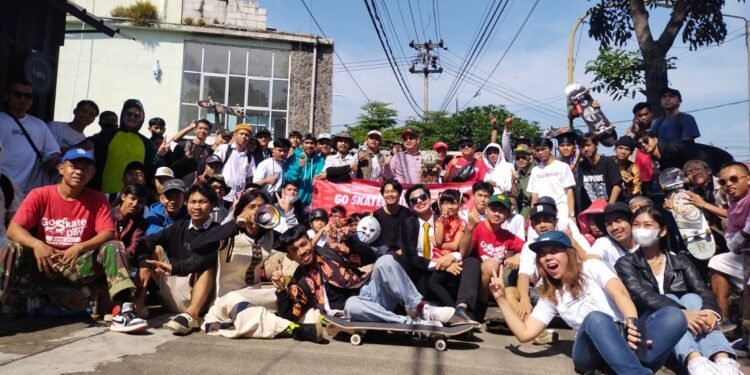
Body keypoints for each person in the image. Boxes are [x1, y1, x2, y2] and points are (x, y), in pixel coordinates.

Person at [491, 230, 687, 374]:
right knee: (596, 318)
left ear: (569, 253)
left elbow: (620, 294)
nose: (547, 257)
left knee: (674, 316)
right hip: (590, 355)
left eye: (553, 250)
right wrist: (500, 299)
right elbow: (525, 334)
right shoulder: (550, 294)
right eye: (542, 254)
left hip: (626, 339)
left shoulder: (592, 267)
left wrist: (632, 325)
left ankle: (620, 369)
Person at [3, 148, 145, 332]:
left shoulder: (98, 198)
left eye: (85, 169)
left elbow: (108, 233)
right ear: (61, 169)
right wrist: (37, 244)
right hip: (43, 261)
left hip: (77, 264)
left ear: (92, 173)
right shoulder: (40, 194)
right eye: (74, 167)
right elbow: (13, 228)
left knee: (115, 246)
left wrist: (80, 247)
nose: (79, 172)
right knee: (10, 247)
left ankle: (122, 312)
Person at [615, 207, 741, 374]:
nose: (641, 230)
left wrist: (711, 311)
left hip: (693, 321)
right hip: (651, 321)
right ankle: (695, 360)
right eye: (636, 225)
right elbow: (641, 295)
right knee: (673, 300)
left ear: (662, 231)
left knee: (692, 298)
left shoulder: (681, 261)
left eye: (647, 225)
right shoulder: (625, 263)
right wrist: (681, 313)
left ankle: (723, 359)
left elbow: (702, 290)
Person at [274, 225, 466, 326]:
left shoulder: (330, 250)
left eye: (304, 244)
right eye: (295, 250)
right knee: (352, 305)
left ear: (311, 241)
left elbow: (368, 256)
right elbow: (290, 316)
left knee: (385, 260)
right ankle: (413, 323)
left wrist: (349, 240)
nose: (302, 251)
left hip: (372, 292)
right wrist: (281, 290)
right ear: (290, 255)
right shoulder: (299, 282)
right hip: (355, 309)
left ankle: (421, 308)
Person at [136, 184, 225, 335]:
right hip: (173, 291)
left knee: (206, 265)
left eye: (202, 202)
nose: (196, 206)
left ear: (213, 205)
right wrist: (144, 264)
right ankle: (138, 306)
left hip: (200, 297)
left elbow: (203, 260)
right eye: (193, 202)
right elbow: (146, 242)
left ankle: (191, 316)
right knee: (155, 249)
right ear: (187, 204)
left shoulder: (218, 231)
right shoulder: (178, 227)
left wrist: (175, 268)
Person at [415, 187, 479, 322]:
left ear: (460, 204)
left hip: (453, 261)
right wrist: (442, 225)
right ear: (439, 204)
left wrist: (441, 246)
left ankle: (460, 312)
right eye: (445, 203)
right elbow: (437, 241)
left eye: (453, 203)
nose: (449, 207)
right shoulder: (438, 221)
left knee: (471, 263)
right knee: (433, 282)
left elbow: (455, 245)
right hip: (437, 262)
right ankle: (454, 311)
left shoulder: (462, 223)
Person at [459, 193, 524, 320]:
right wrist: (470, 228)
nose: (496, 214)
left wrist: (518, 256)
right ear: (487, 210)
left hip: (496, 283)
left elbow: (529, 248)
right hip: (474, 280)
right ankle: (479, 310)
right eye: (493, 209)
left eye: (501, 211)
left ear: (507, 215)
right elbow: (464, 252)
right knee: (491, 265)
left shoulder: (507, 235)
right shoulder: (478, 228)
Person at [0, 80, 60, 194]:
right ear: (7, 96)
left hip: (31, 193)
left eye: (28, 96)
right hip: (3, 192)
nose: (23, 99)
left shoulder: (39, 125)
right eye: (17, 94)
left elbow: (54, 152)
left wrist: (50, 162)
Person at [91, 99, 160, 194]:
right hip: (102, 194)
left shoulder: (146, 143)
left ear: (142, 118)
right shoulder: (106, 135)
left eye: (137, 115)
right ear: (123, 114)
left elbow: (150, 169)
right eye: (129, 114)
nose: (132, 117)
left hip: (132, 198)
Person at [717, 162, 750, 353]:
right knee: (716, 261)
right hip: (745, 254)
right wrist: (741, 238)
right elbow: (731, 240)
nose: (728, 184)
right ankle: (725, 319)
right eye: (723, 181)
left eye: (734, 179)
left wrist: (742, 237)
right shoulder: (733, 204)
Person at [634, 132, 734, 178]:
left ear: (655, 139)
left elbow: (701, 156)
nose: (643, 145)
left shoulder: (672, 147)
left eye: (646, 141)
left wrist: (710, 174)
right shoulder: (657, 158)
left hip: (720, 164)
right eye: (639, 145)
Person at [527, 137, 576, 224]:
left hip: (561, 210)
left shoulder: (563, 166)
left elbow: (569, 191)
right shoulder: (535, 170)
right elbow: (534, 195)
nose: (541, 152)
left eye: (543, 149)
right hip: (543, 211)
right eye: (538, 150)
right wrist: (532, 215)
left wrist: (571, 214)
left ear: (550, 149)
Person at [575, 132, 622, 213]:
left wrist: (610, 207)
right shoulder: (581, 166)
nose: (585, 149)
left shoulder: (608, 162)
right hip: (592, 210)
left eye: (588, 145)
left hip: (609, 209)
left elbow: (617, 186)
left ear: (596, 144)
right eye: (582, 147)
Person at [213, 123, 255, 204]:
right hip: (222, 196)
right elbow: (213, 169)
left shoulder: (249, 157)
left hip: (239, 199)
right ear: (235, 135)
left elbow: (249, 179)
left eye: (247, 135)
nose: (244, 137)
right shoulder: (224, 149)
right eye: (241, 134)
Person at [590, 202, 638, 270]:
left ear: (631, 222)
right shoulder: (605, 242)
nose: (614, 227)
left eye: (619, 221)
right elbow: (591, 261)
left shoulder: (645, 243)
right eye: (609, 224)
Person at [284, 133, 325, 206]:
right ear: (302, 144)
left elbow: (319, 177)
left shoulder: (320, 160)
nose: (309, 146)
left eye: (311, 143)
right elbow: (287, 178)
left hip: (312, 201)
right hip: (293, 199)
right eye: (306, 143)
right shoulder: (293, 158)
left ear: (315, 145)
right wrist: (298, 167)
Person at [629, 102, 656, 195]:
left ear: (651, 114)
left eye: (646, 114)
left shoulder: (657, 128)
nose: (643, 117)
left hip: (655, 174)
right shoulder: (631, 131)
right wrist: (634, 130)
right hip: (638, 176)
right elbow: (626, 146)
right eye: (640, 115)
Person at [613, 136, 641, 201]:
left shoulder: (634, 169)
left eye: (627, 149)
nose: (623, 151)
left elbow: (635, 192)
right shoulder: (607, 163)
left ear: (631, 152)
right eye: (620, 148)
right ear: (615, 150)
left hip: (624, 200)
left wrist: (630, 185)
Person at [513, 144, 533, 219]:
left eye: (524, 157)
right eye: (518, 158)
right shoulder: (518, 173)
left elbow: (528, 195)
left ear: (529, 158)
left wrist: (518, 180)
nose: (521, 160)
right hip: (524, 205)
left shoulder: (536, 170)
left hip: (535, 203)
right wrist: (513, 181)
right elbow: (515, 195)